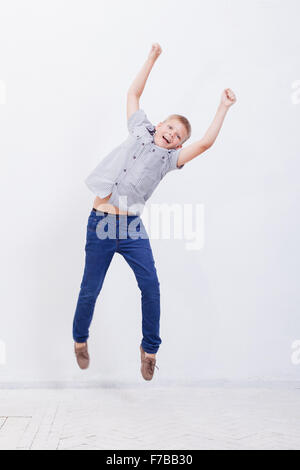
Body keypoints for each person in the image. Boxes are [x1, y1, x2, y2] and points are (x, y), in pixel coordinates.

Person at [72, 43, 237, 380]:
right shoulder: (138, 128)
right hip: (101, 224)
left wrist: (222, 107)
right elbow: (133, 92)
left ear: (176, 146)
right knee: (91, 289)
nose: (173, 135)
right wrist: (152, 59)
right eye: (171, 128)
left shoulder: (168, 161)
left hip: (131, 228)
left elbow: (205, 143)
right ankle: (79, 339)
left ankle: (149, 350)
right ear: (159, 124)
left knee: (151, 286)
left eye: (178, 136)